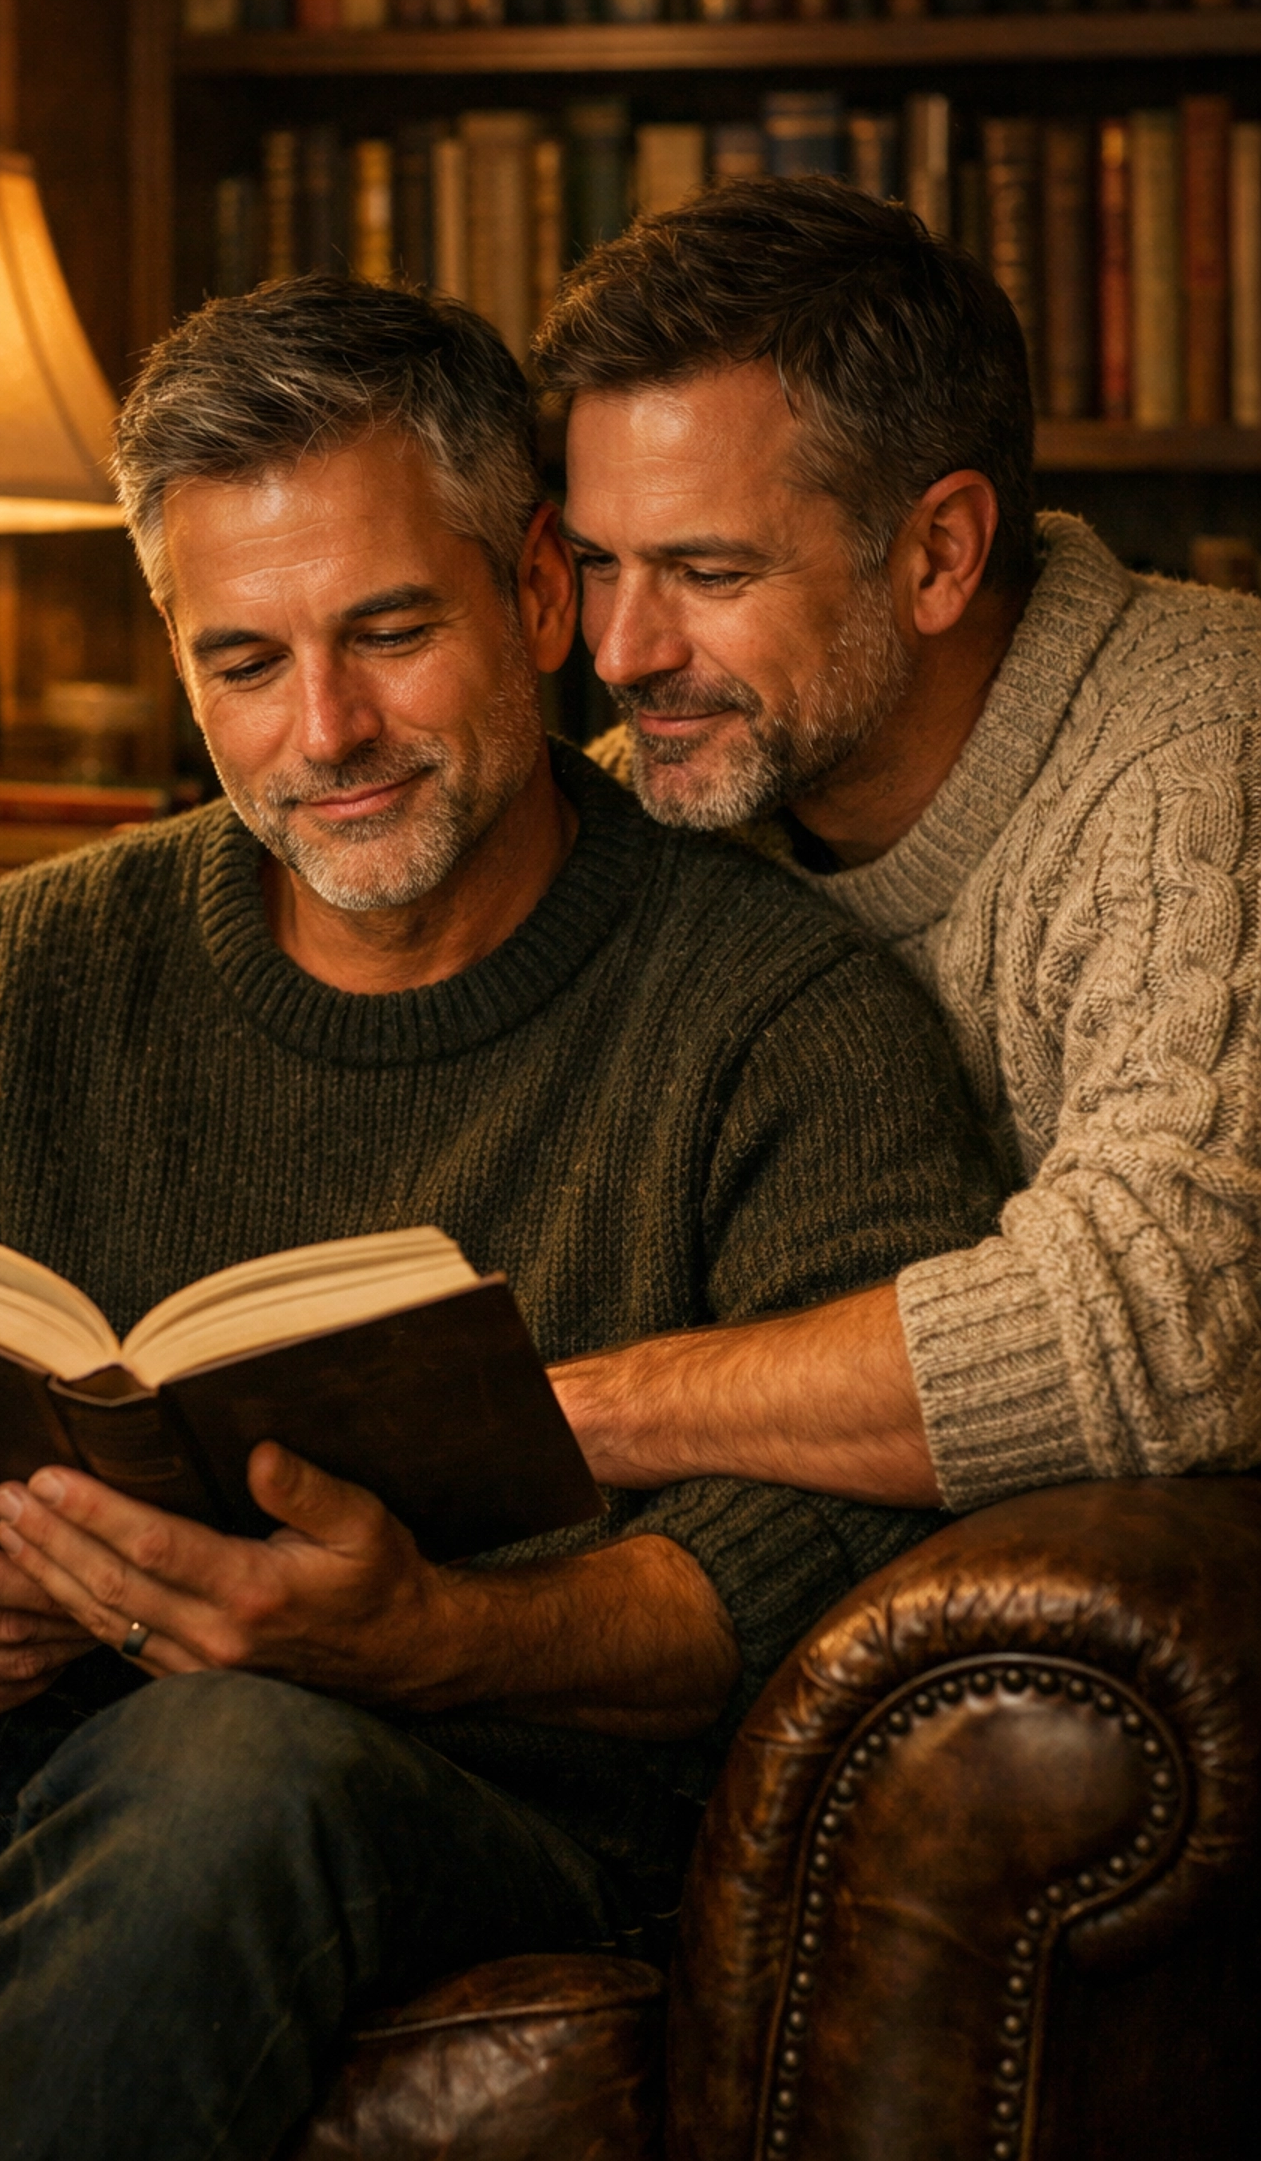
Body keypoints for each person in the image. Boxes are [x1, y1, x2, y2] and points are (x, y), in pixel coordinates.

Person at [0, 279, 996, 2161]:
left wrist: (424, 1639)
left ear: (540, 598)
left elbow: (802, 1563)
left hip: (452, 1794)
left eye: (389, 632)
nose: (326, 730)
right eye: (243, 663)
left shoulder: (781, 1016)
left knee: (224, 1756)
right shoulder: (35, 968)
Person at [532, 174, 1261, 1521]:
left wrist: (592, 1416)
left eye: (709, 575)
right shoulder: (641, 802)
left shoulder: (1209, 751)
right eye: (595, 565)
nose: (621, 653)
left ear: (938, 553)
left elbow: (1180, 1317)